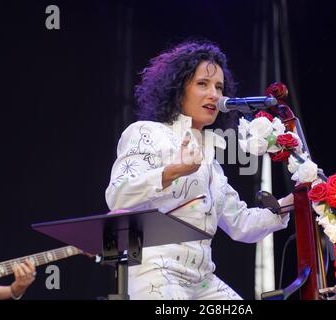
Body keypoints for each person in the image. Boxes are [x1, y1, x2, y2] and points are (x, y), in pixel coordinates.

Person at [105, 40, 293, 300]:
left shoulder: (210, 163)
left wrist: (290, 204)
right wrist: (175, 170)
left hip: (202, 279)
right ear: (177, 89)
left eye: (219, 87)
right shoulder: (147, 133)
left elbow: (241, 224)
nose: (214, 94)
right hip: (157, 272)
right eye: (202, 84)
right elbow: (118, 195)